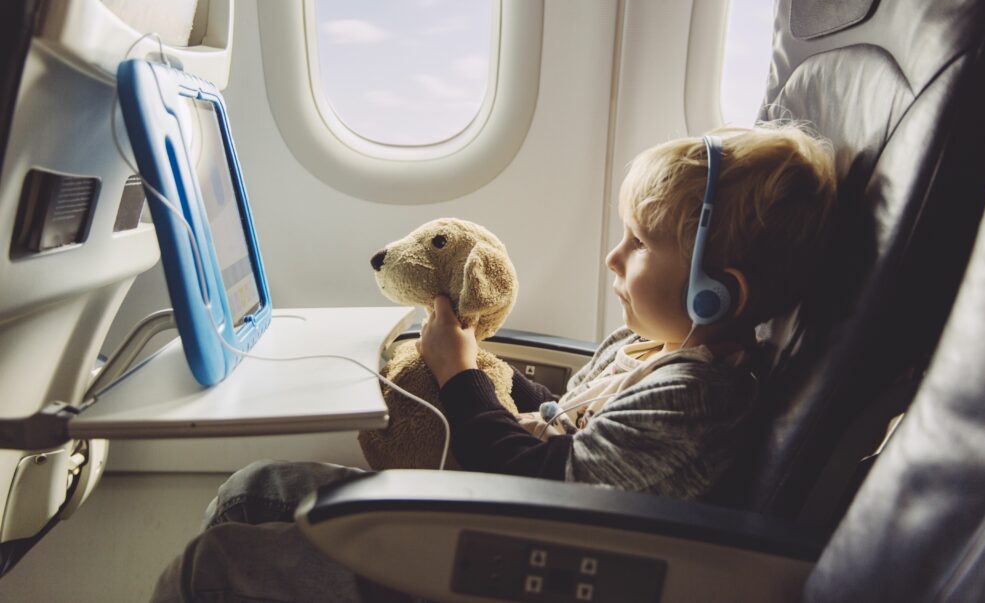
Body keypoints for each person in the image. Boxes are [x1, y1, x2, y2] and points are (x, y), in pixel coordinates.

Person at [151, 124, 837, 602]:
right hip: (506, 521)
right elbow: (560, 422)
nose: (613, 257)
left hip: (511, 564)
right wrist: (490, 371)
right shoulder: (650, 350)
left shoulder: (694, 398)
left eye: (639, 243)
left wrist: (460, 376)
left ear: (716, 292)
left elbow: (538, 481)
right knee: (252, 487)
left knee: (207, 572)